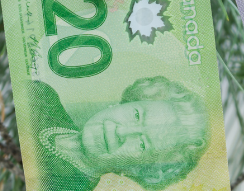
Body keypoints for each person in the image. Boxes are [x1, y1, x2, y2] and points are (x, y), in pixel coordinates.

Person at [28, 76, 209, 191]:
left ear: (135, 168)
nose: (122, 131)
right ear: (127, 102)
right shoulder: (41, 96)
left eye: (142, 144)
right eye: (136, 114)